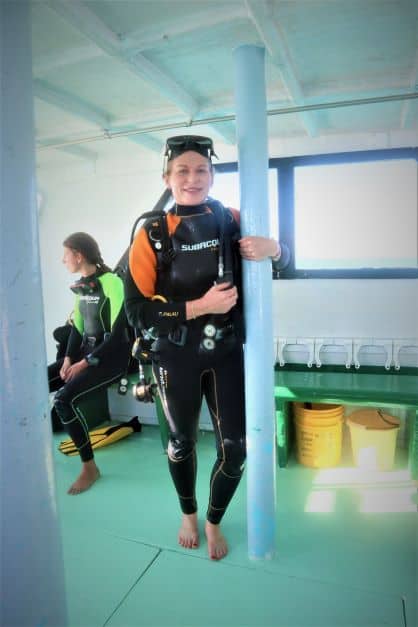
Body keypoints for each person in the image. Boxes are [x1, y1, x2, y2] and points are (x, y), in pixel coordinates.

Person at [124, 135, 287, 560]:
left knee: (235, 450)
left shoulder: (231, 220)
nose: (193, 178)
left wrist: (277, 249)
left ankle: (213, 520)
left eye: (201, 170)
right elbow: (138, 314)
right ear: (167, 177)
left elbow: (286, 266)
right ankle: (188, 514)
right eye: (183, 170)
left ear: (212, 176)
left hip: (227, 354)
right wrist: (199, 307)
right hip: (173, 356)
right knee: (180, 445)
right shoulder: (152, 234)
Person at [52, 232, 131, 495]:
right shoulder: (82, 286)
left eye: (66, 254)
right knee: (36, 381)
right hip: (85, 355)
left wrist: (83, 364)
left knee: (63, 400)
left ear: (79, 254)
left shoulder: (112, 283)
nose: (63, 260)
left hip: (111, 359)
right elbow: (77, 328)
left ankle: (89, 468)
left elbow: (119, 334)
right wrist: (67, 359)